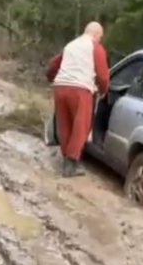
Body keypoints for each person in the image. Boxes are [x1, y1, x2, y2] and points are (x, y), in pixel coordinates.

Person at [45, 22, 110, 177]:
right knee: (81, 126)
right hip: (80, 89)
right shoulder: (95, 47)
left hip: (60, 87)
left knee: (65, 124)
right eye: (100, 37)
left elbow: (54, 64)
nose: (99, 40)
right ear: (95, 34)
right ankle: (71, 164)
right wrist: (103, 91)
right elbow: (103, 75)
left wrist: (50, 77)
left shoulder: (71, 45)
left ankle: (66, 160)